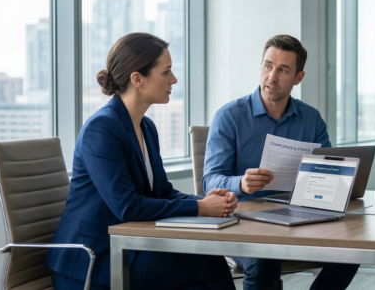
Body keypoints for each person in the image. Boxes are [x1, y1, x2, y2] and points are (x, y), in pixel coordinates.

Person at [45, 32, 238, 290]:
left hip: (128, 248)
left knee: (202, 275)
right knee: (208, 265)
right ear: (137, 79)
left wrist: (207, 201)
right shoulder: (101, 129)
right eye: (166, 72)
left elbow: (163, 192)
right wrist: (201, 209)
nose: (174, 79)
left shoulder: (146, 127)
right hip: (91, 262)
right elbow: (128, 207)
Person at [202, 35, 358, 290]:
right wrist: (241, 183)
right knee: (264, 262)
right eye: (268, 66)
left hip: (297, 217)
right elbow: (209, 181)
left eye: (283, 70)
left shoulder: (311, 119)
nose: (271, 77)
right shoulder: (229, 117)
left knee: (350, 253)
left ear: (298, 77)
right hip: (242, 222)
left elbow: (331, 172)